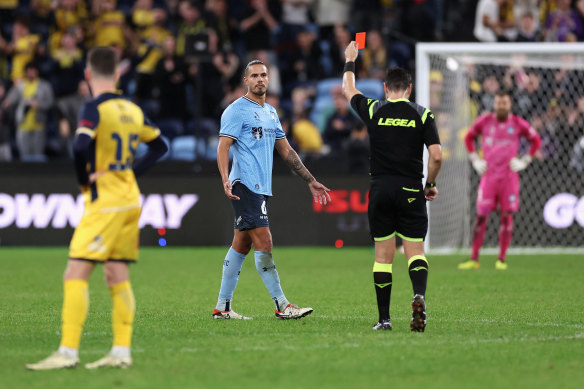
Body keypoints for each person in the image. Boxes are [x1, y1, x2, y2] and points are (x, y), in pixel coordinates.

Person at [26, 46, 168, 370]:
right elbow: (161, 146)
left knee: (75, 271)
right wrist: (130, 171)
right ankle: (120, 353)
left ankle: (67, 352)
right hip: (132, 198)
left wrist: (84, 182)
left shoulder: (93, 108)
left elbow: (79, 146)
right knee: (116, 273)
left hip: (106, 202)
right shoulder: (132, 109)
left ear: (88, 75)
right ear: (118, 75)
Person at [213, 59, 330, 320]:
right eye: (254, 75)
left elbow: (286, 150)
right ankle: (282, 305)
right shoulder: (236, 110)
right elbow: (223, 146)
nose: (260, 79)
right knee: (264, 242)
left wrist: (310, 179)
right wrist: (224, 178)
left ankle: (222, 308)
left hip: (261, 187)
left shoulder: (271, 112)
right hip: (244, 184)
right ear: (246, 80)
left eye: (263, 75)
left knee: (241, 245)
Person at [342, 41, 442, 332]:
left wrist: (351, 60)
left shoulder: (374, 110)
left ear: (386, 89)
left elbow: (349, 90)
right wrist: (430, 183)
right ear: (409, 89)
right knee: (415, 251)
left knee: (383, 258)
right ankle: (419, 295)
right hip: (411, 190)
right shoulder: (423, 115)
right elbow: (436, 156)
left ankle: (384, 319)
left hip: (381, 189)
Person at [459, 90, 541, 270]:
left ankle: (501, 259)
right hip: (489, 177)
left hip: (509, 178)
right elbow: (469, 138)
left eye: (504, 103)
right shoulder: (485, 121)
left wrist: (525, 161)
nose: (501, 106)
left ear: (510, 104)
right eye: (498, 103)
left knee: (506, 217)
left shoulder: (518, 123)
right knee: (480, 217)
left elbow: (536, 140)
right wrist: (475, 160)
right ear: (494, 104)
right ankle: (474, 258)